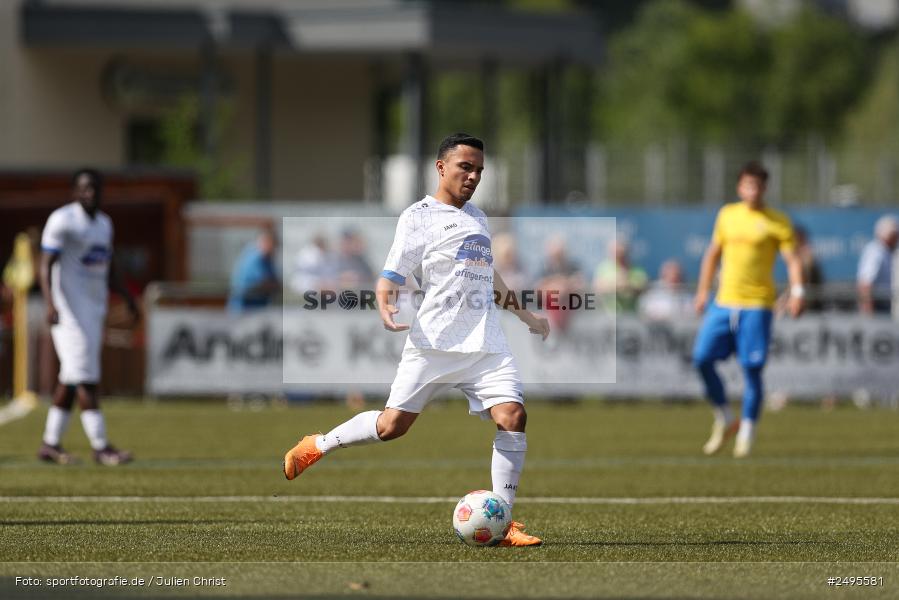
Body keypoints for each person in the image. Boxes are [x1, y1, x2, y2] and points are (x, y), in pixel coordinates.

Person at [282, 133, 550, 546]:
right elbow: (392, 272)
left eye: (479, 169)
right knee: (392, 427)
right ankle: (318, 444)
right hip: (434, 342)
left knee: (513, 416)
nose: (474, 175)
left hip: (487, 345)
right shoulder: (418, 216)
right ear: (441, 167)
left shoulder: (478, 218)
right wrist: (385, 301)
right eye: (466, 167)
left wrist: (525, 314)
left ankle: (504, 520)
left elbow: (489, 277)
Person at [692, 161, 805, 458]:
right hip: (724, 302)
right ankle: (726, 418)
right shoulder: (727, 215)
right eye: (747, 185)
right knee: (702, 358)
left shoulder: (777, 221)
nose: (752, 191)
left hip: (757, 304)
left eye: (757, 186)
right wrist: (703, 292)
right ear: (739, 187)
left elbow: (792, 260)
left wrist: (798, 291)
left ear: (765, 188)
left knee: (752, 369)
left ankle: (747, 431)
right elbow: (712, 255)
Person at [38, 168, 139, 465]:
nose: (90, 193)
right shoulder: (62, 220)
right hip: (68, 311)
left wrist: (128, 296)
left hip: (93, 309)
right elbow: (44, 264)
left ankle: (50, 443)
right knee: (86, 379)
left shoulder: (104, 224)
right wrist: (49, 303)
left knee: (72, 377)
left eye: (94, 188)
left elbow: (107, 266)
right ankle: (101, 446)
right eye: (84, 188)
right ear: (73, 192)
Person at [227, 226, 280, 313]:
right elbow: (265, 282)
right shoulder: (254, 257)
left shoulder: (267, 259)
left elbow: (275, 282)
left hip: (258, 307)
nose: (274, 249)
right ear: (265, 242)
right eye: (273, 244)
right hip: (244, 308)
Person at [857, 215, 898, 316]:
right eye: (894, 234)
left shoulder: (889, 251)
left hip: (887, 305)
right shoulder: (875, 252)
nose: (897, 237)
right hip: (878, 307)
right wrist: (869, 312)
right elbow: (865, 284)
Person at [593, 239, 648, 314]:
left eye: (621, 252)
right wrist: (616, 286)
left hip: (630, 314)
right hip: (609, 314)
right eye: (616, 252)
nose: (619, 255)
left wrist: (627, 285)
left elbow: (642, 288)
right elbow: (598, 288)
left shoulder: (637, 270)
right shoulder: (604, 268)